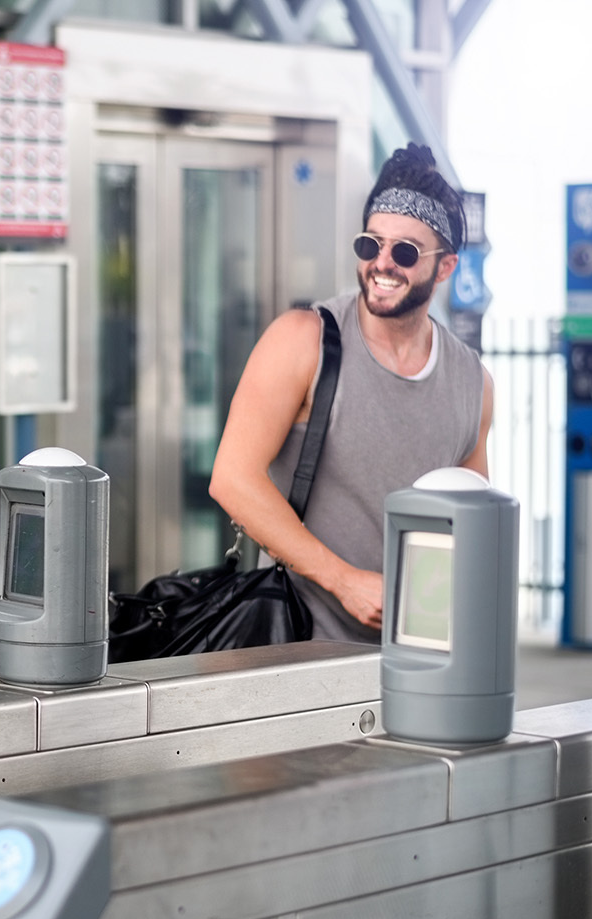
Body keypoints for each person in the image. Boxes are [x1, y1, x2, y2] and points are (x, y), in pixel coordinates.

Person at [209, 143, 494, 644]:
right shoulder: (304, 340)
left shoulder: (473, 383)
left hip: (416, 661)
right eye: (370, 244)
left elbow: (467, 529)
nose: (382, 263)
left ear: (445, 267)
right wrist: (344, 582)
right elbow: (232, 479)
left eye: (405, 251)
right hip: (295, 651)